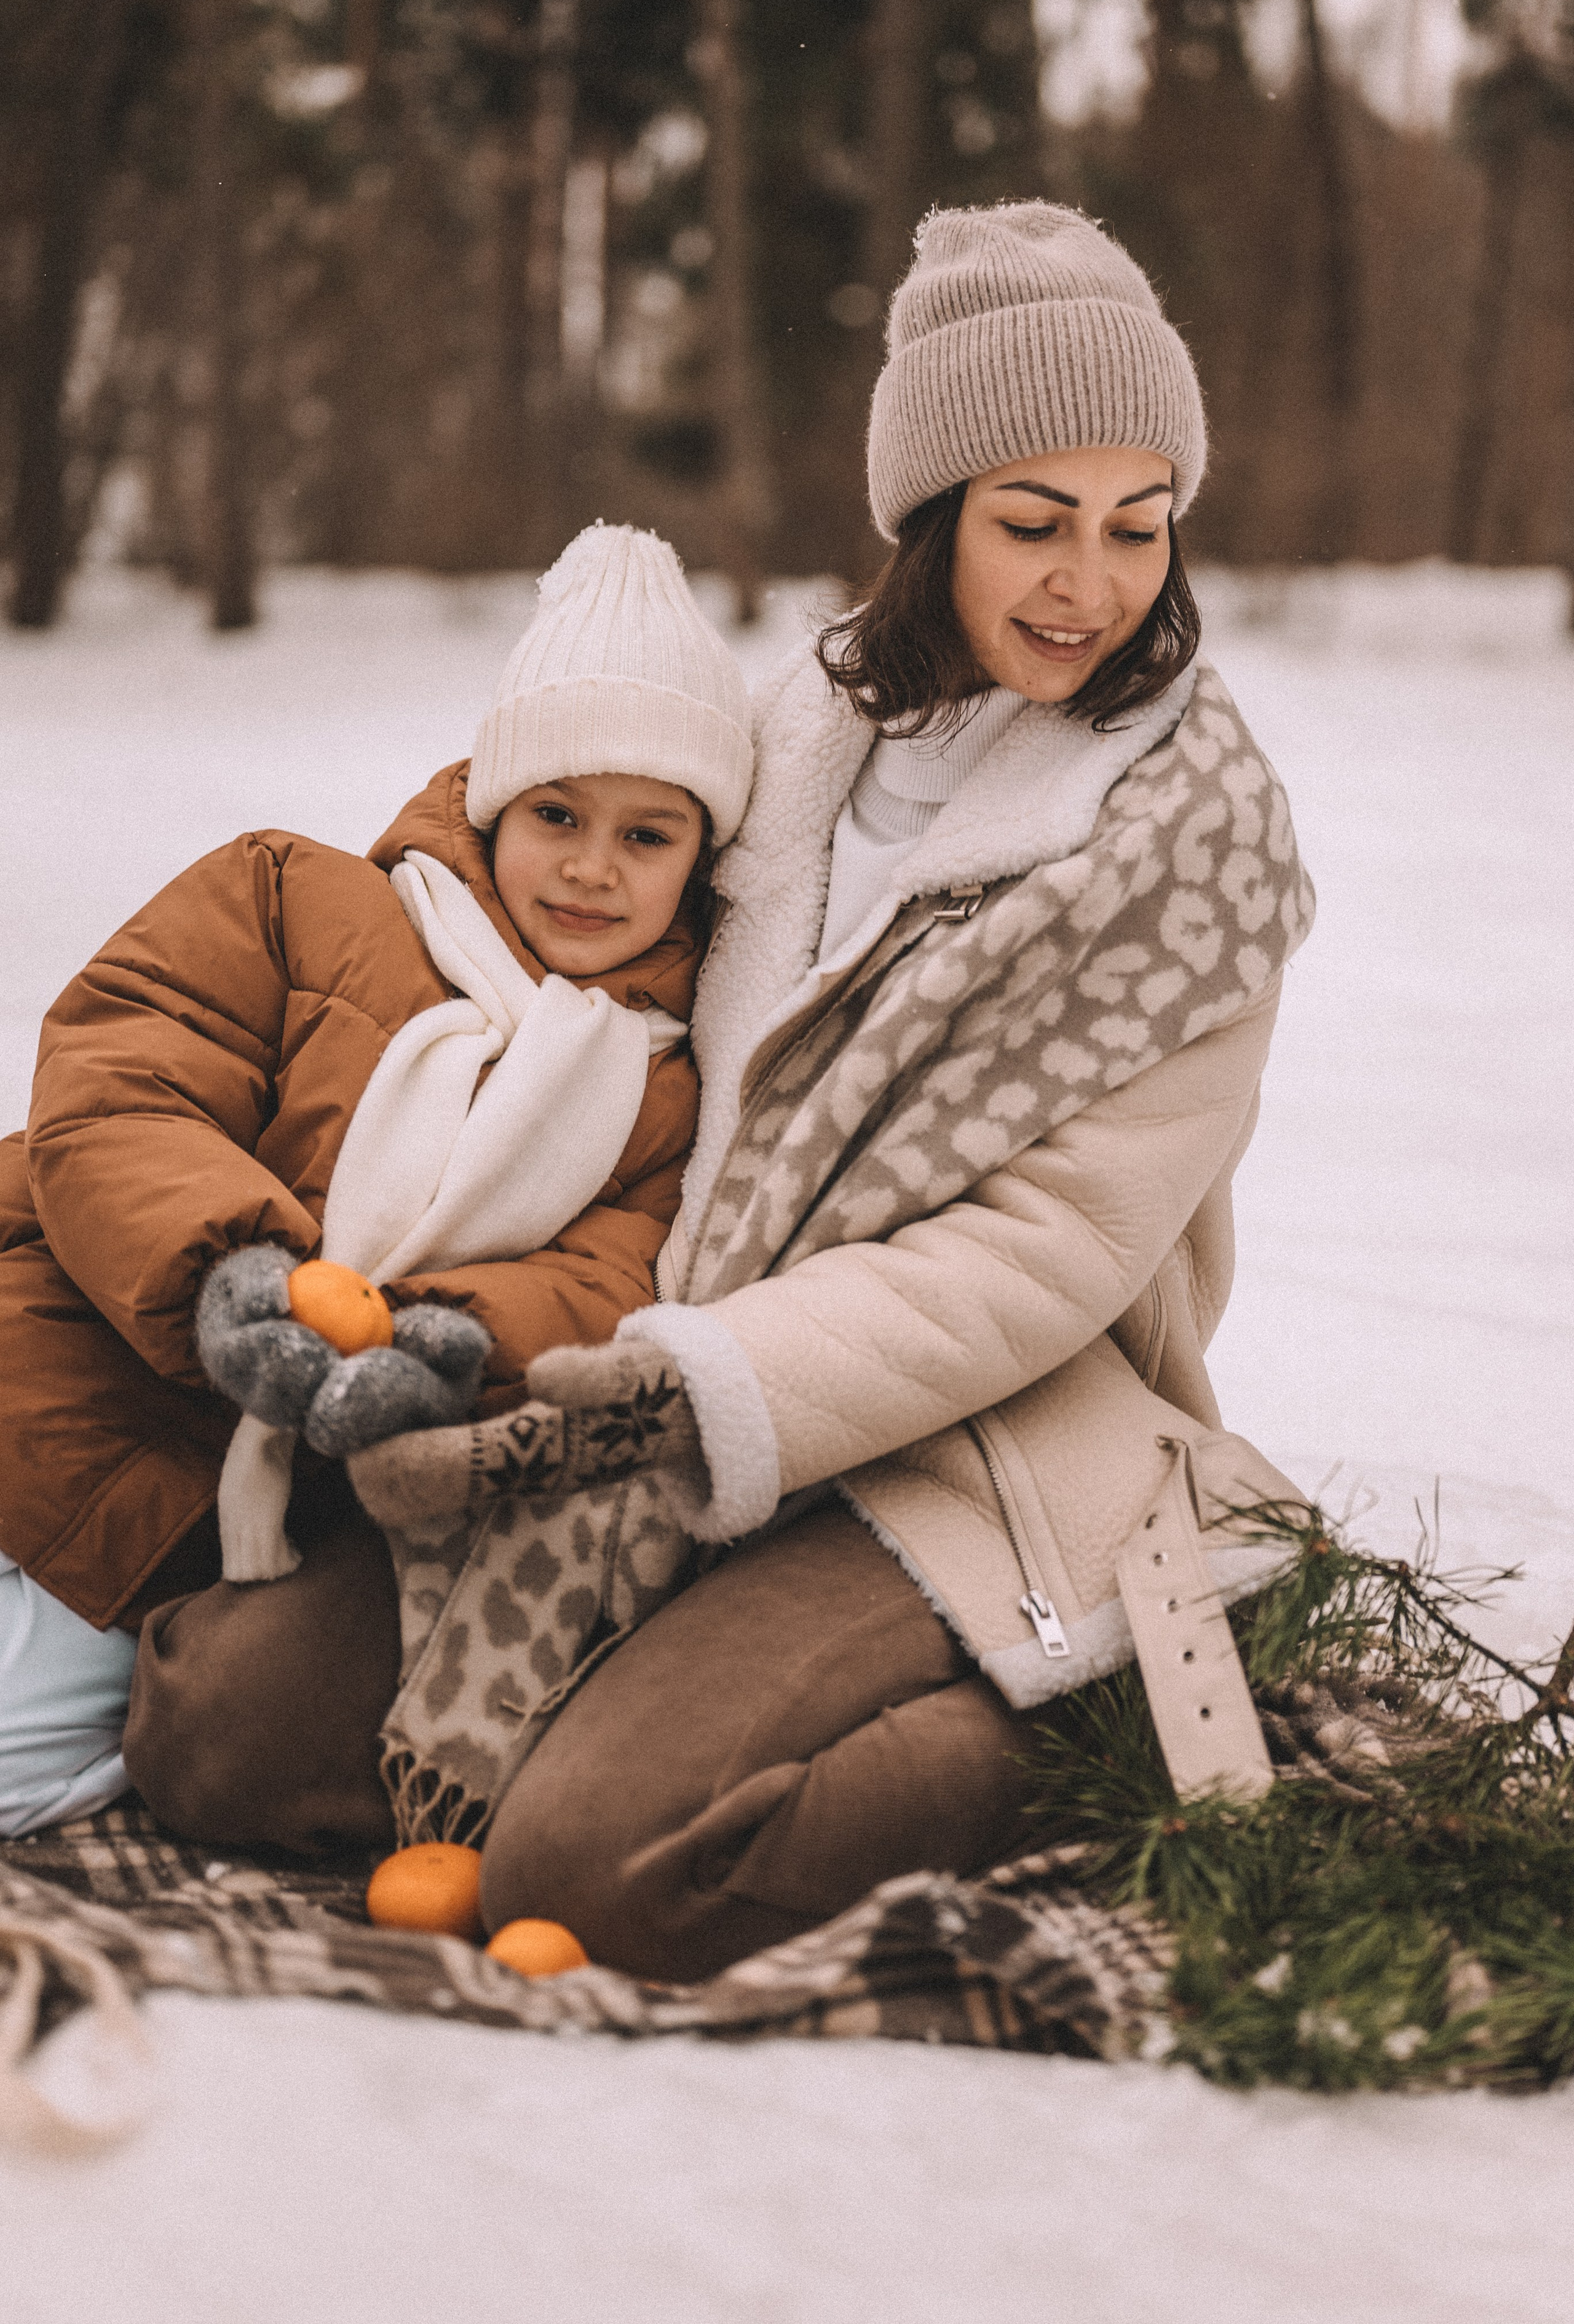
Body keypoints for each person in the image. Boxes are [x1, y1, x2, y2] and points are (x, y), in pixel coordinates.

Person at [126, 200, 1316, 1977]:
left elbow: (1039, 1258)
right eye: (1035, 522)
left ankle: (1085, 1723)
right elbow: (582, 847)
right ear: (929, 519)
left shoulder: (1193, 860)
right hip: (630, 1377)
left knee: (600, 1875)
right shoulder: (809, 734)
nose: (1093, 583)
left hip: (955, 1434)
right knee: (215, 1731)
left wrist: (697, 1391)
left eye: (1141, 526)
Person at [0, 525, 751, 1841]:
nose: (589, 866)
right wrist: (228, 1267)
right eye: (557, 815)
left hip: (181, 1518)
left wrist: (449, 1342)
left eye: (647, 834)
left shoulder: (664, 1094)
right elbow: (125, 1075)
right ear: (491, 801)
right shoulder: (296, 899)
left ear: (700, 859)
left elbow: (608, 1277)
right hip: (57, 1345)